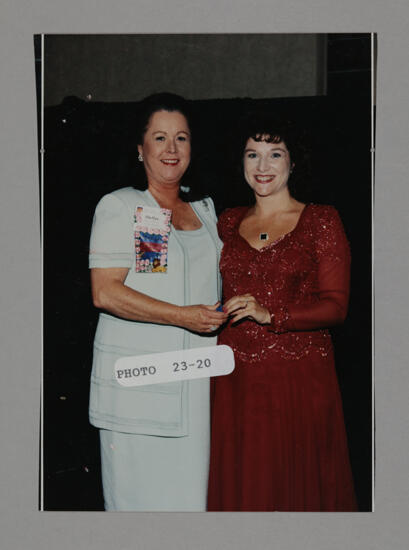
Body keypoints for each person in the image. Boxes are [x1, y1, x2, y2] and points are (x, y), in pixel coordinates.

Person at [207, 115, 357, 511]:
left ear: (293, 162)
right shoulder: (226, 221)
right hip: (235, 378)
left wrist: (271, 314)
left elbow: (336, 307)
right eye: (252, 154)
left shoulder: (321, 220)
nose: (262, 166)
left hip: (298, 380)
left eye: (275, 154)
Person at [88, 93, 227, 511]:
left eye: (181, 138)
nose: (171, 149)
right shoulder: (123, 205)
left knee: (190, 506)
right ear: (140, 148)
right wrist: (182, 317)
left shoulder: (205, 211)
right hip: (140, 387)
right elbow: (106, 292)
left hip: (195, 389)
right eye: (160, 137)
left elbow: (185, 281)